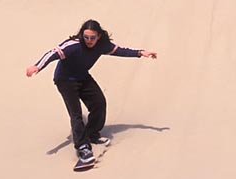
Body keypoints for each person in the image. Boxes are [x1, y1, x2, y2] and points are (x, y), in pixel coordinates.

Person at [26, 19, 157, 166]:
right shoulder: (73, 45)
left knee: (99, 103)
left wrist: (141, 53)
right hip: (65, 81)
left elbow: (120, 50)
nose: (88, 40)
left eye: (92, 37)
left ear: (98, 36)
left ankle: (92, 134)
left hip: (82, 77)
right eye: (86, 37)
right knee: (76, 115)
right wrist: (37, 66)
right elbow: (52, 53)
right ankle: (83, 149)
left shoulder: (102, 46)